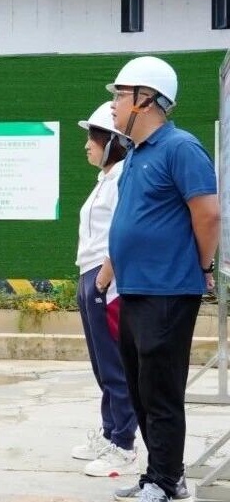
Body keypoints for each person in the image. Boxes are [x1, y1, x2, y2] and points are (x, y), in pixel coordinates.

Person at [107, 56, 219, 502]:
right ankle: (160, 474)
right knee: (140, 388)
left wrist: (202, 267)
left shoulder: (181, 148)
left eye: (120, 95)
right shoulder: (136, 153)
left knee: (161, 391)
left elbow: (208, 214)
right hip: (135, 289)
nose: (113, 104)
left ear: (146, 99)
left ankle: (167, 481)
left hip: (168, 291)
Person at [70, 102, 138, 478]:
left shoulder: (123, 179)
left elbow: (124, 230)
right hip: (91, 273)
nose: (86, 145)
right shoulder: (106, 179)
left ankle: (124, 446)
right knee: (101, 364)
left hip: (105, 277)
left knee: (114, 365)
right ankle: (111, 432)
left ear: (113, 142)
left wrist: (103, 278)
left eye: (93, 138)